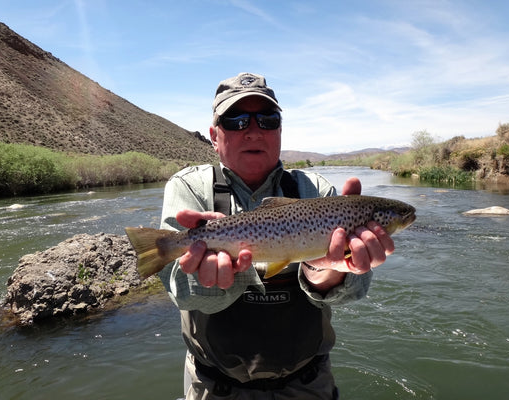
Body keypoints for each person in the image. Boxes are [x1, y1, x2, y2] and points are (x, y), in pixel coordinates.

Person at [159, 72, 394, 400]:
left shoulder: (317, 192)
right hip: (215, 387)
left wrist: (325, 271)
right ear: (214, 135)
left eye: (267, 119)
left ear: (280, 130)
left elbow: (354, 290)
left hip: (308, 384)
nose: (254, 130)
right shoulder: (189, 189)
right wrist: (210, 276)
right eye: (236, 120)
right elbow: (180, 292)